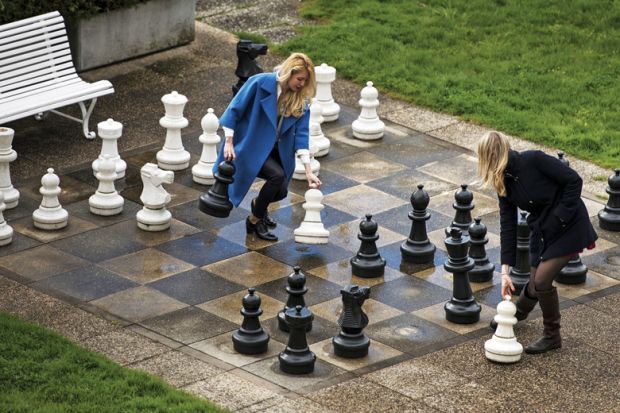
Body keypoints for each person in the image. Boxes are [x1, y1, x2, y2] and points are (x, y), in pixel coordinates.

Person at [477, 131, 597, 354]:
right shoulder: (502, 181)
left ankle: (552, 336)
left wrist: (560, 216)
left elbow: (574, 181)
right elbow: (508, 225)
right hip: (542, 230)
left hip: (569, 224)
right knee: (533, 282)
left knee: (541, 280)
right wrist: (505, 271)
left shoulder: (534, 160)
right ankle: (515, 315)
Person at [214, 52, 321, 241]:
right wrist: (229, 141)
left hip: (277, 152)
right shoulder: (259, 82)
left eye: (306, 81)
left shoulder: (300, 101)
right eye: (300, 79)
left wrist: (308, 170)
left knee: (281, 191)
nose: (302, 84)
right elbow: (234, 109)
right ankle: (255, 220)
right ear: (289, 73)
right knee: (276, 176)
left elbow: (301, 135)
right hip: (251, 146)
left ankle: (259, 205)